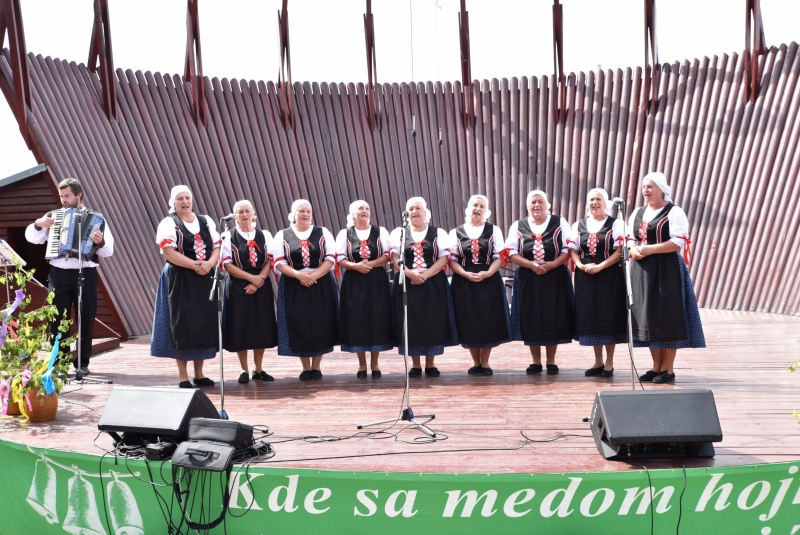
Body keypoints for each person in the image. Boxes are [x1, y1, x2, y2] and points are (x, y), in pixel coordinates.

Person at [26, 178, 115, 376]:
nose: (64, 200)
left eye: (67, 196)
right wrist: (38, 224)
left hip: (86, 273)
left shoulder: (97, 218)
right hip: (58, 274)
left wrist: (100, 243)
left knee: (86, 318)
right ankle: (59, 363)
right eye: (61, 196)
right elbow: (32, 238)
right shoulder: (52, 216)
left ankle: (82, 364)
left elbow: (108, 251)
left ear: (78, 194)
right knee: (57, 320)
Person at [628, 172, 705, 383]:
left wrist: (650, 249)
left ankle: (668, 369)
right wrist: (634, 249)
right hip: (642, 271)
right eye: (644, 187)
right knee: (650, 317)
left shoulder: (674, 212)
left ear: (661, 189)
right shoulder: (638, 212)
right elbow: (630, 239)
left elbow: (678, 242)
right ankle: (656, 367)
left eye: (650, 186)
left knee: (666, 316)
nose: (645, 190)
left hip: (667, 269)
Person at [150, 185, 220, 388]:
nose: (185, 202)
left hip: (204, 277)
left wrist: (208, 264)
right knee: (182, 324)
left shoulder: (205, 221)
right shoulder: (169, 223)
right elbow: (168, 252)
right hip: (180, 277)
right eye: (180, 198)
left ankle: (199, 373)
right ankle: (183, 376)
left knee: (203, 323)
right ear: (173, 202)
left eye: (187, 197)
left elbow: (216, 247)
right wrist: (194, 265)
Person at [507, 190, 575, 374]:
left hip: (555, 275)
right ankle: (535, 361)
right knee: (531, 317)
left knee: (552, 315)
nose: (536, 205)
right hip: (528, 277)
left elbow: (569, 248)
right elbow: (511, 252)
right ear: (528, 206)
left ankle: (551, 361)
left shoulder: (559, 222)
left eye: (540, 202)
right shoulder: (518, 225)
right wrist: (530, 264)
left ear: (547, 205)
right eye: (533, 202)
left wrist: (552, 264)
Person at [389, 197, 458, 377]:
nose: (414, 212)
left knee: (432, 320)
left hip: (433, 281)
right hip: (407, 281)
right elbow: (395, 258)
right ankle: (415, 364)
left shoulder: (438, 233)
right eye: (410, 209)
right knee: (410, 321)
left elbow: (443, 258)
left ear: (425, 212)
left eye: (417, 208)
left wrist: (424, 275)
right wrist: (410, 273)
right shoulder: (400, 233)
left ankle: (431, 363)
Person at [271, 199, 338, 380]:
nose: (305, 215)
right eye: (301, 211)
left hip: (320, 282)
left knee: (320, 322)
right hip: (294, 283)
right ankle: (305, 366)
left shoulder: (323, 232)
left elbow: (330, 259)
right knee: (298, 322)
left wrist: (313, 276)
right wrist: (299, 276)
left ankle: (316, 366)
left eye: (308, 211)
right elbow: (279, 262)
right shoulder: (282, 235)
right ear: (293, 215)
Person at [448, 194, 510, 376]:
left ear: (486, 210)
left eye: (481, 206)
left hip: (488, 279)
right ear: (468, 208)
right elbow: (451, 259)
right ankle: (475, 362)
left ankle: (485, 361)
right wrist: (465, 274)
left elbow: (500, 256)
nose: (478, 209)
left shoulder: (493, 230)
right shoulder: (456, 232)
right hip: (463, 280)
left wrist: (490, 272)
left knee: (487, 319)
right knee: (469, 320)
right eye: (475, 205)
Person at [569, 188, 627, 377]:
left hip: (609, 276)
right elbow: (574, 250)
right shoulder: (579, 225)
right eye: (591, 200)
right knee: (591, 316)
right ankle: (597, 360)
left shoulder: (616, 223)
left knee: (607, 316)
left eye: (598, 199)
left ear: (606, 203)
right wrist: (580, 266)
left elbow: (619, 250)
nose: (594, 203)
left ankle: (609, 362)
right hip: (586, 275)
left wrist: (601, 265)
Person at [220, 200, 278, 384]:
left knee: (260, 325)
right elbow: (227, 265)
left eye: (247, 211)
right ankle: (243, 369)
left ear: (253, 214)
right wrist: (250, 279)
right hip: (238, 285)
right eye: (240, 212)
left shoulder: (265, 235)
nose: (244, 215)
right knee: (240, 325)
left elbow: (270, 260)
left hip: (261, 284)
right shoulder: (228, 236)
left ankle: (258, 368)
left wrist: (258, 279)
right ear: (234, 216)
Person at [335, 200, 393, 378]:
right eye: (361, 208)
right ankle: (361, 364)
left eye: (367, 208)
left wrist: (369, 265)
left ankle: (375, 363)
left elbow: (388, 255)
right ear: (353, 214)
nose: (365, 211)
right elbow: (339, 258)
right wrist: (356, 266)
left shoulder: (380, 231)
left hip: (376, 279)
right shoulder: (345, 233)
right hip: (354, 280)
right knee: (356, 318)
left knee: (376, 317)